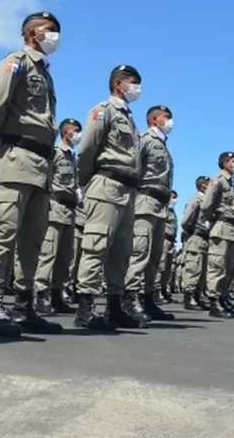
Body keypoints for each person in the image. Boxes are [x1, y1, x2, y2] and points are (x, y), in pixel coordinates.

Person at [0, 11, 63, 337]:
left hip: (42, 164)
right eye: (50, 30)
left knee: (32, 242)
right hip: (16, 157)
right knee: (4, 234)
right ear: (31, 33)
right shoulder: (15, 62)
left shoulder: (46, 72)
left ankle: (23, 306)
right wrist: (11, 140)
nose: (55, 36)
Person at [73, 65, 144, 331]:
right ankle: (86, 309)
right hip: (106, 184)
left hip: (127, 189)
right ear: (118, 84)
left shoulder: (129, 117)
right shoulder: (104, 110)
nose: (137, 88)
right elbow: (88, 147)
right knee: (96, 246)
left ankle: (114, 307)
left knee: (121, 252)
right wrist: (84, 182)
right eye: (133, 82)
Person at [123, 105, 175, 324]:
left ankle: (147, 298)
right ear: (154, 119)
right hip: (144, 200)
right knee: (139, 252)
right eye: (167, 117)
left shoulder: (163, 145)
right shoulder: (144, 139)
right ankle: (129, 298)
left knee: (155, 256)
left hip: (160, 205)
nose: (171, 121)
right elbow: (133, 166)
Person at [34, 118, 81, 315]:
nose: (79, 134)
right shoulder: (55, 153)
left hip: (70, 212)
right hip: (54, 208)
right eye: (75, 131)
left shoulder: (72, 157)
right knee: (48, 254)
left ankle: (57, 294)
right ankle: (40, 294)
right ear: (65, 133)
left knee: (65, 258)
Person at [200, 151, 234, 318]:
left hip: (231, 230)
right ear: (225, 163)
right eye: (233, 161)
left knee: (228, 267)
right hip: (221, 227)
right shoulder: (218, 180)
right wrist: (215, 219)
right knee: (217, 266)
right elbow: (206, 205)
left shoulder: (231, 182)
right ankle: (214, 302)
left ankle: (223, 298)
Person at [181, 176, 212, 311]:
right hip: (196, 237)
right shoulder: (196, 200)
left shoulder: (207, 202)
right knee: (194, 268)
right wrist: (192, 231)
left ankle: (197, 296)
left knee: (202, 270)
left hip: (205, 238)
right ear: (201, 186)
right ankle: (189, 298)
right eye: (207, 184)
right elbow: (186, 220)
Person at [156, 190, 178, 303]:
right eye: (172, 197)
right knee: (161, 266)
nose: (174, 200)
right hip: (164, 238)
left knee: (168, 269)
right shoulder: (163, 208)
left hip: (171, 241)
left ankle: (164, 290)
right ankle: (157, 291)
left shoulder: (172, 212)